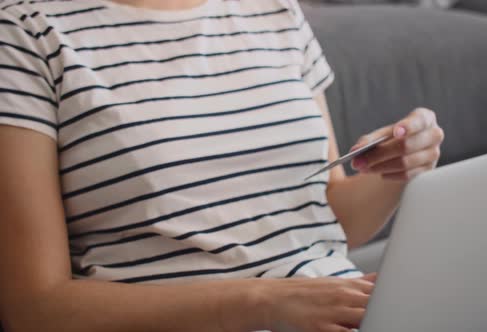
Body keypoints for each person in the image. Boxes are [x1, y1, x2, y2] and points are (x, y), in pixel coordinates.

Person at [0, 0, 444, 331]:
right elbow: (34, 306)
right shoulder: (25, 30)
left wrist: (399, 170)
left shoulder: (273, 9)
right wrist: (262, 301)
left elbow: (329, 217)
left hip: (340, 313)